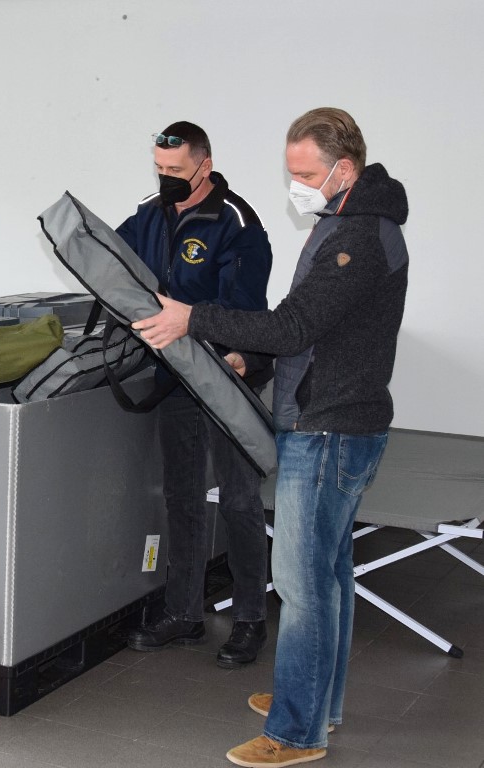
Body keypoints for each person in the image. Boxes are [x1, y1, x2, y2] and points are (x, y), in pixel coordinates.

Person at [134, 108, 408, 767]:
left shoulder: (356, 237)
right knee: (329, 576)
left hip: (329, 428)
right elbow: (305, 330)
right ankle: (316, 702)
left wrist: (191, 318)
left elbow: (291, 328)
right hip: (341, 422)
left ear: (344, 169)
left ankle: (295, 733)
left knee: (303, 585)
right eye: (292, 173)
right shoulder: (350, 221)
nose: (296, 186)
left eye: (306, 175)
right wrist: (237, 350)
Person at [117, 122, 274, 669]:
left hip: (229, 373)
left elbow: (246, 310)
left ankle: (251, 618)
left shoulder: (237, 223)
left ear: (205, 166)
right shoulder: (148, 214)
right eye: (160, 169)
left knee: (238, 499)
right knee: (181, 497)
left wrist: (233, 354)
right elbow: (116, 268)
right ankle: (183, 612)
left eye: (177, 171)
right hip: (175, 375)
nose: (166, 179)